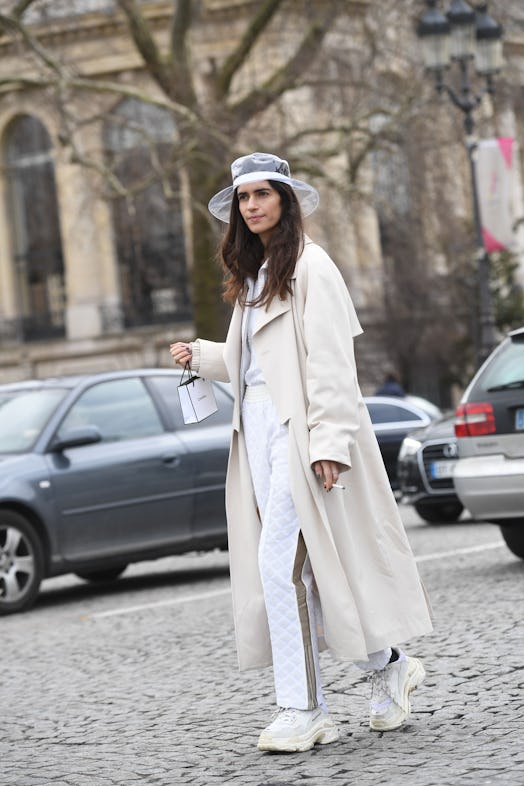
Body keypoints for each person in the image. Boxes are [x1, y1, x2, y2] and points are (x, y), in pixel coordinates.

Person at [170, 152, 432, 753]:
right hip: (257, 432)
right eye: (243, 197)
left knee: (278, 565)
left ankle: (302, 707)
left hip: (301, 431)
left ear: (285, 200)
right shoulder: (253, 276)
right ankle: (387, 664)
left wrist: (330, 441)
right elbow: (253, 364)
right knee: (311, 568)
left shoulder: (313, 267)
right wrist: (203, 355)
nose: (252, 205)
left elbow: (334, 365)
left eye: (263, 194)